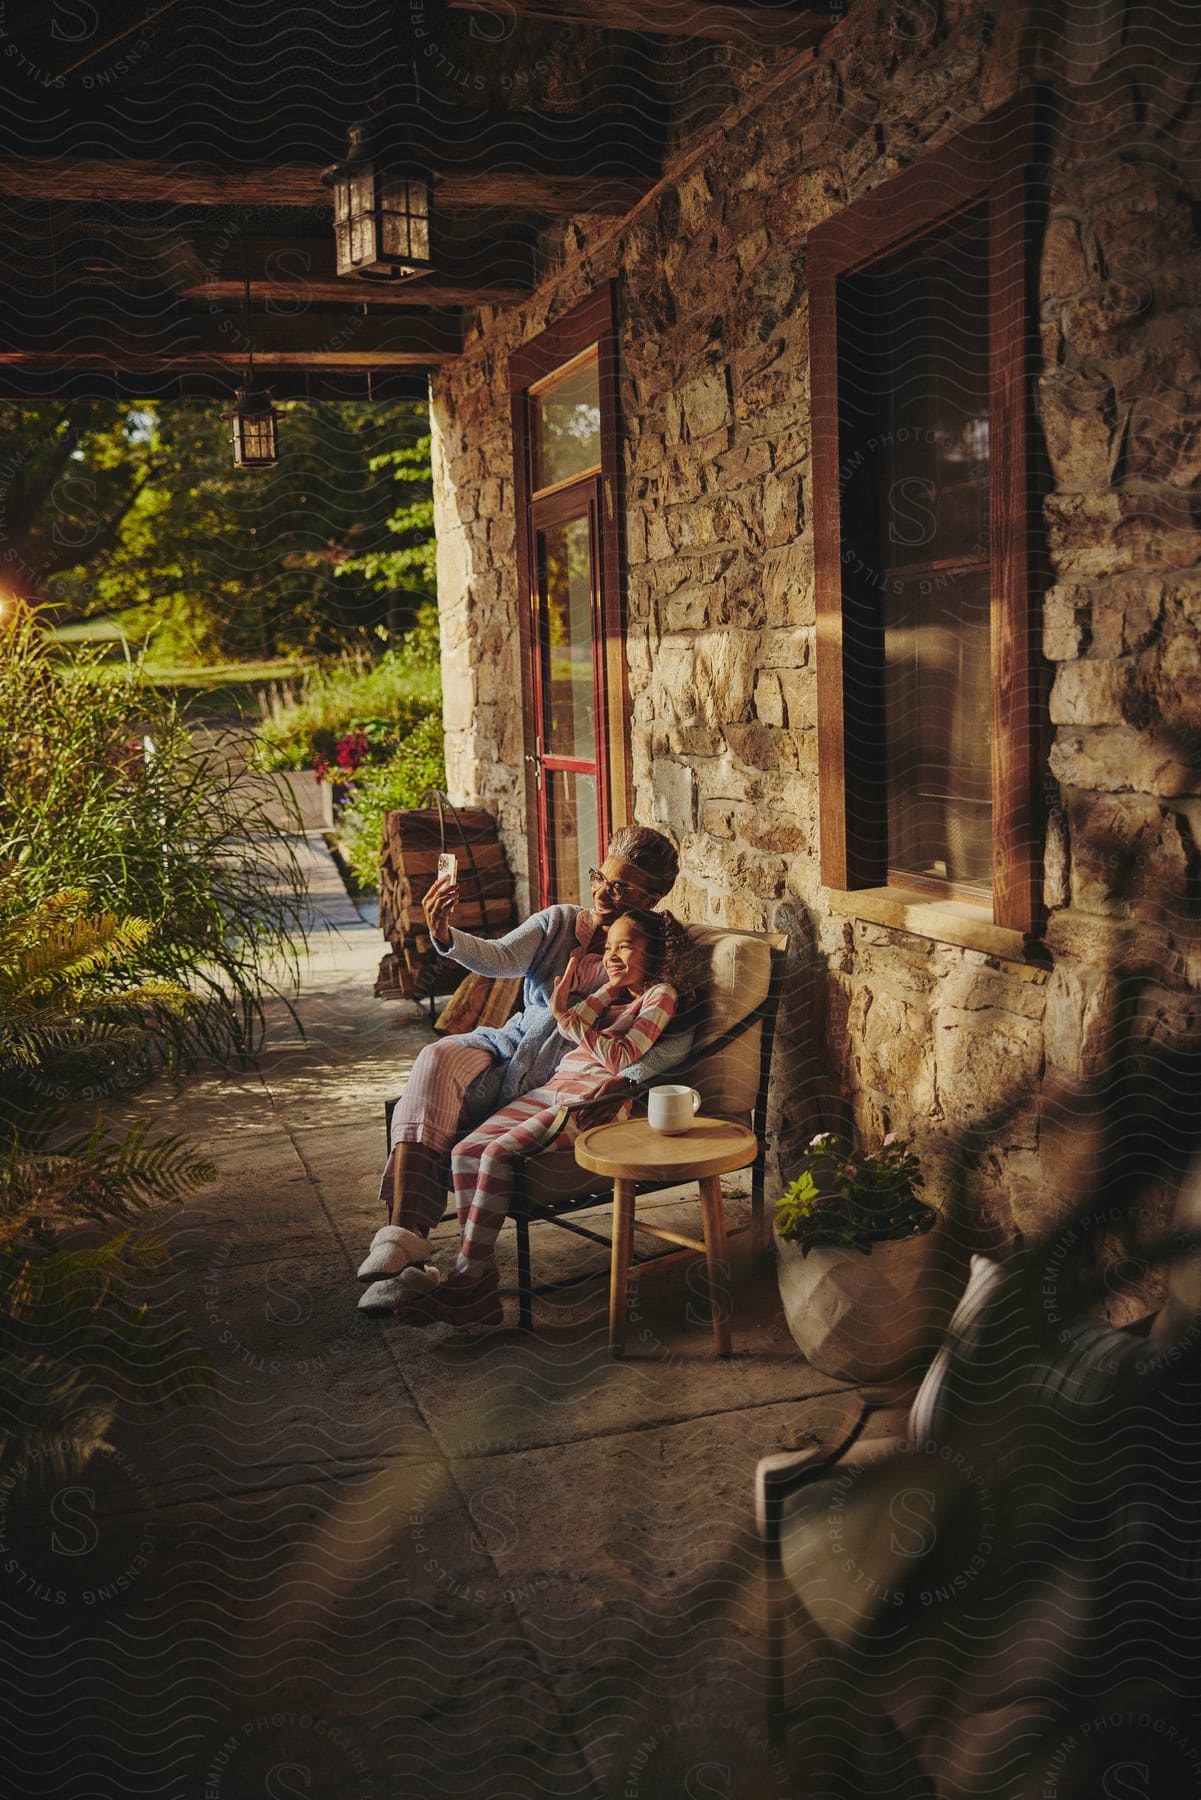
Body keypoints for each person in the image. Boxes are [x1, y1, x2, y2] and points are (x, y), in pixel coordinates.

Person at [356, 825, 689, 1311]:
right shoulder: (558, 923)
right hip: (510, 1048)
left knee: (447, 1120)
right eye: (601, 878)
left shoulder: (648, 951)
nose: (602, 893)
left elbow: (675, 1031)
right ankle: (404, 1236)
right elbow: (499, 957)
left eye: (621, 888)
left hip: (564, 1076)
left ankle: (444, 1278)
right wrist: (444, 933)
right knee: (436, 1057)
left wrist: (628, 1079)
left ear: (652, 897)